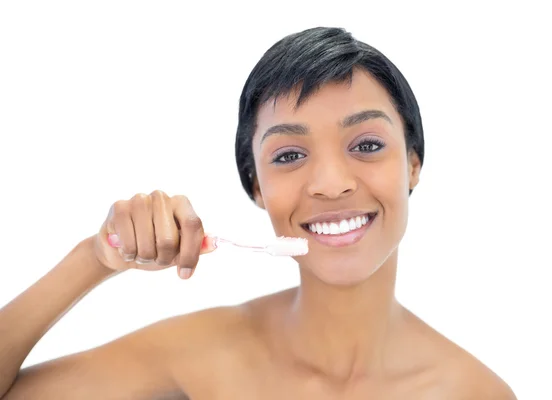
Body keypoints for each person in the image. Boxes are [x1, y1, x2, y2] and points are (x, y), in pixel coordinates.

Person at [0, 27, 516, 399]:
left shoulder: (475, 392)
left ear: (413, 165)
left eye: (366, 144)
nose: (332, 183)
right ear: (256, 187)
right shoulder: (197, 358)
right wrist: (95, 257)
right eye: (289, 155)